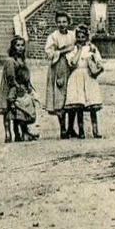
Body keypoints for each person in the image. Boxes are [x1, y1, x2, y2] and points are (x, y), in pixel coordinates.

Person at [0, 35, 39, 143]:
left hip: (21, 87)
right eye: (17, 45)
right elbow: (11, 78)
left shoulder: (22, 60)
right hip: (12, 88)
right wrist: (18, 88)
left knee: (20, 111)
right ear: (13, 47)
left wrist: (28, 86)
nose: (20, 47)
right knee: (9, 110)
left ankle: (19, 133)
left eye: (22, 45)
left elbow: (25, 76)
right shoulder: (10, 61)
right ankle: (8, 133)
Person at [63, 24, 104, 139]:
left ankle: (95, 130)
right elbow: (73, 63)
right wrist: (79, 50)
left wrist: (96, 66)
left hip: (89, 76)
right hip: (76, 76)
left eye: (83, 37)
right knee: (79, 104)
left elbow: (99, 62)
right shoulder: (73, 49)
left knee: (92, 104)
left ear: (87, 37)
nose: (81, 39)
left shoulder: (92, 48)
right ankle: (81, 130)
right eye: (79, 37)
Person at [43, 10, 76, 139]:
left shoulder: (73, 35)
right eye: (59, 22)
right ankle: (63, 128)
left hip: (72, 66)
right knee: (60, 96)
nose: (62, 24)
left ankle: (71, 128)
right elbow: (49, 53)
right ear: (56, 23)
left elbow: (78, 47)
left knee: (72, 96)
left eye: (64, 22)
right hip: (58, 67)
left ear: (68, 22)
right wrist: (63, 51)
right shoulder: (53, 36)